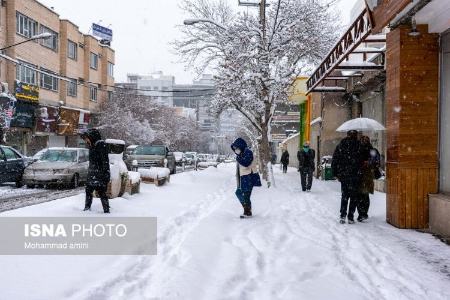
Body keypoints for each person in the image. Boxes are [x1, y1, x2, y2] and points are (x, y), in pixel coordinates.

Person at [332, 130, 362, 224]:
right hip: (355, 174)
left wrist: (335, 173)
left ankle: (343, 215)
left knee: (345, 195)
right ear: (355, 135)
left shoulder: (341, 145)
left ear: (347, 135)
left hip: (344, 175)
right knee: (354, 196)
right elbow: (362, 159)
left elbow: (335, 160)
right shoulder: (359, 146)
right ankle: (350, 216)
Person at [80, 128, 111, 213]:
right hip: (92, 173)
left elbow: (105, 161)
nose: (86, 140)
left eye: (86, 138)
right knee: (88, 191)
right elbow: (92, 162)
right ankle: (87, 209)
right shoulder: (92, 146)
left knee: (102, 193)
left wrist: (106, 174)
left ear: (91, 136)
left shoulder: (101, 145)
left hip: (99, 174)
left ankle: (106, 211)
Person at [231, 138, 261, 218]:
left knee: (246, 194)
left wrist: (238, 159)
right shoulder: (242, 153)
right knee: (240, 193)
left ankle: (247, 212)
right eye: (235, 149)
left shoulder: (248, 152)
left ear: (240, 146)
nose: (236, 150)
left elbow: (246, 163)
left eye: (237, 148)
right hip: (244, 177)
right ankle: (248, 210)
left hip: (249, 176)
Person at [357, 136, 380, 222]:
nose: (364, 141)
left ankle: (362, 214)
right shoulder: (368, 150)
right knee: (363, 195)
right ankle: (362, 213)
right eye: (363, 140)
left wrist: (368, 162)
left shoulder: (371, 150)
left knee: (363, 195)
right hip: (364, 175)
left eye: (365, 140)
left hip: (365, 175)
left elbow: (376, 161)